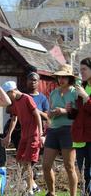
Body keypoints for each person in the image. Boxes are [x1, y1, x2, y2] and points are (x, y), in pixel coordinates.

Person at [1, 81, 43, 196]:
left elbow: (37, 115)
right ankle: (33, 186)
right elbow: (14, 119)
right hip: (24, 135)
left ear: (12, 91)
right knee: (19, 160)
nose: (7, 98)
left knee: (27, 162)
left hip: (33, 134)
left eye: (7, 94)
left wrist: (40, 133)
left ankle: (29, 190)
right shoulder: (15, 102)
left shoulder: (27, 98)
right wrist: (8, 135)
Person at [42, 64, 78, 196]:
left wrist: (63, 111)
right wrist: (50, 114)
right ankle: (52, 193)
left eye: (64, 77)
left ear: (70, 78)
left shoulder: (75, 92)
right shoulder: (53, 93)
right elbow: (49, 113)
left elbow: (78, 112)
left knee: (69, 166)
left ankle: (73, 195)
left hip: (69, 130)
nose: (61, 79)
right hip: (53, 130)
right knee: (46, 165)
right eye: (59, 77)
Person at [67, 57, 91, 195]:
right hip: (80, 136)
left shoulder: (83, 91)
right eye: (80, 69)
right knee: (83, 170)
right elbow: (80, 114)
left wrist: (86, 97)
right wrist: (71, 110)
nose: (81, 72)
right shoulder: (82, 87)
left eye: (84, 69)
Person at [26, 72, 50, 193]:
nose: (32, 82)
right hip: (23, 131)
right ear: (26, 81)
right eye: (30, 80)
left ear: (38, 82)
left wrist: (36, 111)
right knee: (24, 161)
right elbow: (11, 110)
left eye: (35, 80)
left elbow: (47, 116)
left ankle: (32, 186)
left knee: (32, 161)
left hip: (37, 132)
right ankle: (33, 186)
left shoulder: (42, 98)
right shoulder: (23, 96)